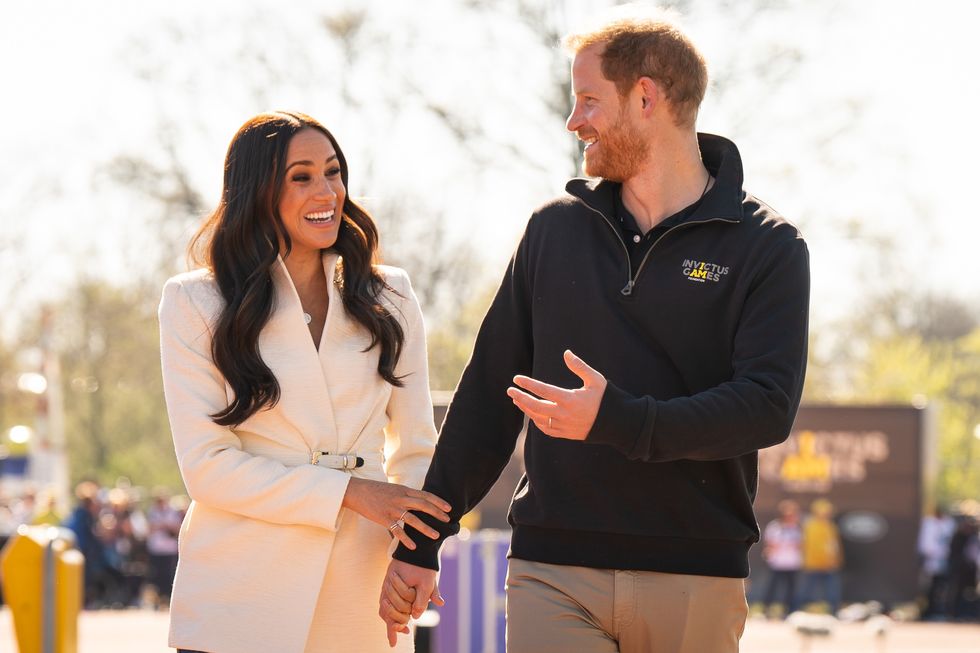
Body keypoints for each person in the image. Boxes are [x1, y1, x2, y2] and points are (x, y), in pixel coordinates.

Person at [379, 8, 809, 653]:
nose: (574, 121)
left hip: (697, 573)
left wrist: (618, 419)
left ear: (645, 98)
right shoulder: (553, 229)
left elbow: (765, 408)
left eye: (587, 100)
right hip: (552, 570)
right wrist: (421, 542)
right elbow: (490, 393)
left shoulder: (768, 246)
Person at [158, 111, 450, 653]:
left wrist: (416, 555)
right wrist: (349, 492)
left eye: (334, 172)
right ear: (257, 190)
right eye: (302, 176)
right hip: (239, 596)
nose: (327, 191)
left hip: (361, 598)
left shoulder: (392, 295)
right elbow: (207, 468)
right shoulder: (195, 301)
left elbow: (415, 449)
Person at [799, 499, 843, 615]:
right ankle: (801, 611)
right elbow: (808, 545)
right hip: (813, 564)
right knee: (807, 590)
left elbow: (835, 545)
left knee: (832, 591)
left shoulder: (830, 526)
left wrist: (836, 560)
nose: (826, 514)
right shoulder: (809, 525)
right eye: (823, 511)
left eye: (827, 512)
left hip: (830, 565)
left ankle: (834, 612)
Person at [761, 499, 803, 617]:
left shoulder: (797, 528)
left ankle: (789, 612)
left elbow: (800, 544)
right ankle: (766, 610)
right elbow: (770, 543)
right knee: (772, 588)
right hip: (777, 563)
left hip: (792, 564)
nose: (792, 517)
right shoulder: (774, 527)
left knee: (791, 589)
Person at [918, 505, 955, 619]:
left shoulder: (949, 523)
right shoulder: (928, 523)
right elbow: (925, 545)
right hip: (929, 561)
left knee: (941, 587)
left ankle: (938, 609)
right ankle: (926, 611)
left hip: (945, 561)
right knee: (928, 587)